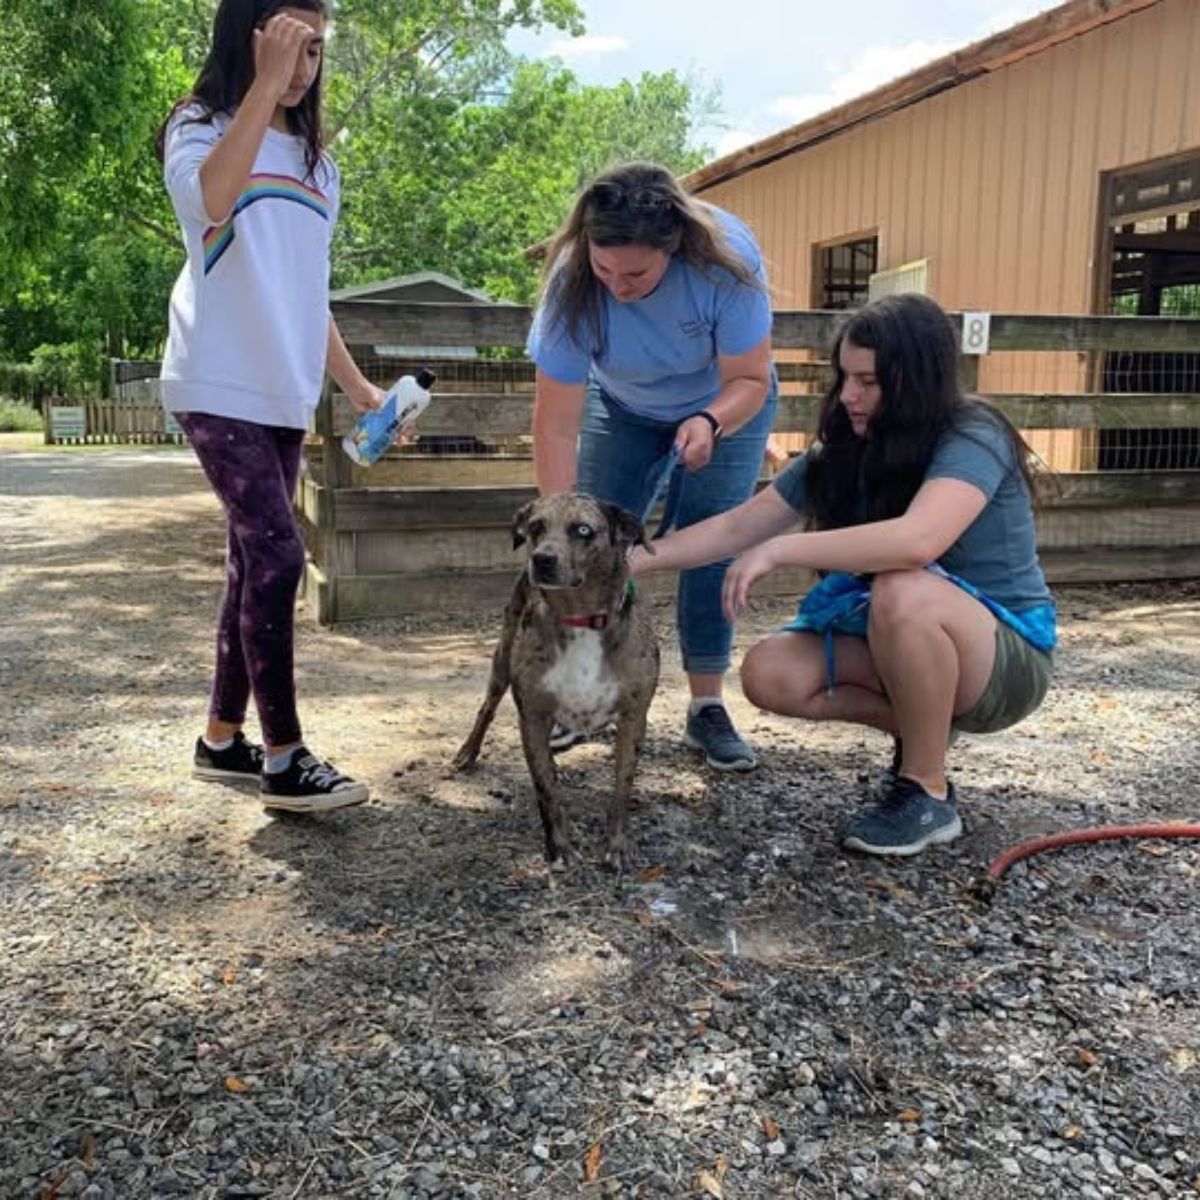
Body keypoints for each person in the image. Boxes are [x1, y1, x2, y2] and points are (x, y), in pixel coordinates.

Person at [629, 293, 1057, 856]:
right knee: (770, 672)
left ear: (916, 380)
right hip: (906, 636)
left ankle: (925, 790)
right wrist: (626, 560)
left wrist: (783, 551)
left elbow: (917, 541)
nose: (850, 395)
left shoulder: (973, 433)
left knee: (904, 587)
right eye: (845, 378)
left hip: (1005, 658)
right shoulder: (846, 449)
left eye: (870, 382)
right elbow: (736, 529)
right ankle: (924, 723)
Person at [157, 0, 383, 813]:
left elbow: (305, 291)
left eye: (315, 49)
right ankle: (285, 757)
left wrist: (359, 390)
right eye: (289, 43)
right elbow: (214, 202)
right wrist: (261, 87)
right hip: (216, 380)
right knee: (282, 557)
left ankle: (221, 740)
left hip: (286, 390)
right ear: (246, 38)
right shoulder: (198, 126)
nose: (303, 65)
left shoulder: (321, 167)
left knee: (251, 563)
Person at [528, 161, 777, 771]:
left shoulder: (726, 264)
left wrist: (711, 421)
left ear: (673, 247)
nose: (618, 284)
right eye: (603, 267)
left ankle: (706, 706)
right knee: (591, 548)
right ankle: (584, 695)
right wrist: (561, 528)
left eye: (636, 272)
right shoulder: (571, 284)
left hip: (726, 404)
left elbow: (748, 378)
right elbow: (554, 425)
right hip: (623, 403)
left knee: (710, 542)